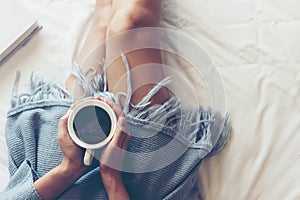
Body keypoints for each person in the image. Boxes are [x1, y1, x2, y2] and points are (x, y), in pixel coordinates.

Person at [0, 0, 231, 199]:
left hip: (57, 176)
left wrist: (69, 169)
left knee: (103, 20)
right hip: (138, 188)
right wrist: (112, 178)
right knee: (130, 24)